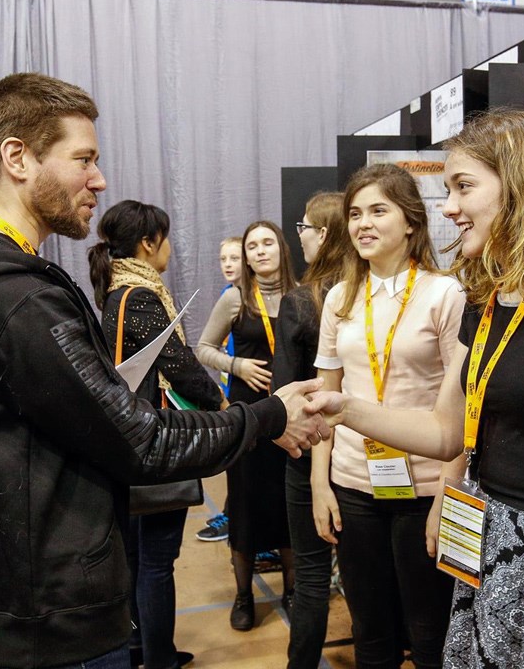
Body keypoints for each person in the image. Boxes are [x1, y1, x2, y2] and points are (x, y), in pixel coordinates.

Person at [0, 72, 326, 669]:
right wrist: (270, 416)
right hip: (48, 619)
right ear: (17, 157)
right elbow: (141, 442)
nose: (99, 179)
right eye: (83, 159)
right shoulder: (15, 301)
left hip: (4, 602)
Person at [307, 108, 524, 669]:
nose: (448, 208)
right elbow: (446, 430)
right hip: (494, 554)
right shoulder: (490, 301)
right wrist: (344, 408)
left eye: (463, 187)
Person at [311, 164, 465, 669]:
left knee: (429, 632)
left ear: (412, 223)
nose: (363, 224)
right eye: (355, 214)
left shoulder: (446, 294)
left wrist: (448, 496)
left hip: (425, 487)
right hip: (354, 483)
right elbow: (325, 399)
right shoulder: (340, 297)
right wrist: (320, 484)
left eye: (378, 210)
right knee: (369, 630)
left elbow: (464, 408)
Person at [89, 200, 220, 669]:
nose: (169, 248)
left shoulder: (114, 293)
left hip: (125, 442)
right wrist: (220, 403)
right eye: (165, 238)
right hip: (154, 444)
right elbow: (178, 366)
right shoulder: (139, 296)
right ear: (148, 244)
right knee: (156, 560)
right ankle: (160, 657)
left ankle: (138, 647)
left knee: (137, 554)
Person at [195, 220, 299, 630]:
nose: (258, 251)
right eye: (251, 245)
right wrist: (236, 364)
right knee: (245, 507)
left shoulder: (302, 296)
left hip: (291, 415)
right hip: (248, 418)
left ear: (281, 249)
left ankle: (292, 591)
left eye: (266, 243)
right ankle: (243, 597)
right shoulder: (236, 298)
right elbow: (203, 348)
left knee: (289, 506)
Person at [272, 192, 353, 669]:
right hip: (366, 455)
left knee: (311, 575)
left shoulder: (300, 303)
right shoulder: (366, 297)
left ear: (323, 235)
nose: (298, 236)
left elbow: (287, 394)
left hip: (311, 455)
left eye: (303, 227)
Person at [195, 236, 245, 544]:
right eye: (223, 259)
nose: (227, 264)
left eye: (234, 258)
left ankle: (238, 517)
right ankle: (233, 512)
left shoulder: (254, 298)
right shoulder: (229, 295)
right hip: (233, 388)